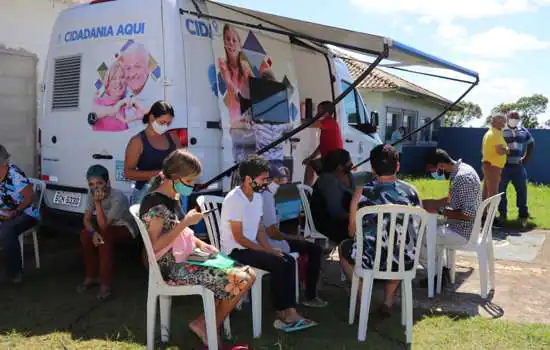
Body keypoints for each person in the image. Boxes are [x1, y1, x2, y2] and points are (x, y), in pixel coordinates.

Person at [139, 149, 255, 347]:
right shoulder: (155, 203)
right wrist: (186, 222)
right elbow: (155, 245)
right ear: (175, 177)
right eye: (190, 181)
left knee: (249, 274)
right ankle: (207, 326)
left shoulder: (171, 196)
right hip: (169, 268)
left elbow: (183, 236)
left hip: (184, 258)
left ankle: (205, 323)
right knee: (240, 279)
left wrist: (207, 247)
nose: (192, 186)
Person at [220, 155, 317, 332]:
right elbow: (239, 237)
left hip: (249, 247)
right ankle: (285, 312)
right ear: (249, 179)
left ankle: (288, 311)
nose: (266, 183)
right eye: (263, 179)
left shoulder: (257, 197)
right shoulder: (235, 198)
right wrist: (265, 251)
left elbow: (259, 230)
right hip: (235, 251)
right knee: (279, 263)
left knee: (287, 259)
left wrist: (269, 248)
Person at [339, 144, 421, 317]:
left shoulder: (362, 193)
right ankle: (387, 301)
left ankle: (363, 299)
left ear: (372, 168)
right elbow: (415, 230)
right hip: (403, 261)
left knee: (344, 247)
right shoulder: (412, 193)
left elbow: (352, 232)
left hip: (369, 260)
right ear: (397, 166)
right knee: (400, 248)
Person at [262, 165, 327, 308]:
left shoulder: (263, 195)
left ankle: (307, 289)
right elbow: (272, 232)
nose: (281, 184)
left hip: (269, 241)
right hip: (270, 244)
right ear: (270, 180)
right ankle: (311, 296)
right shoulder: (266, 197)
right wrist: (296, 238)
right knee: (315, 249)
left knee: (309, 247)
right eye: (278, 180)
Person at [420, 148, 481, 282]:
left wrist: (440, 210)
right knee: (423, 227)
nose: (432, 174)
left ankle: (438, 275)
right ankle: (441, 270)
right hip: (459, 225)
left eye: (432, 171)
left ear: (441, 165)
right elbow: (452, 199)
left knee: (418, 237)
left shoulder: (462, 178)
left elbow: (468, 214)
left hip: (462, 231)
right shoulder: (461, 170)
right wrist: (431, 202)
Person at [78, 165, 137, 300]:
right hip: (103, 227)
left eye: (99, 183)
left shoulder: (118, 197)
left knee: (105, 238)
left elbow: (104, 225)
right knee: (85, 235)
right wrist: (93, 233)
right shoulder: (91, 193)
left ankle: (105, 284)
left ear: (108, 182)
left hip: (124, 228)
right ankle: (91, 276)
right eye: (91, 184)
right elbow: (86, 219)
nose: (96, 187)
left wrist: (97, 203)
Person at [124, 101, 182, 205]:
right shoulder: (137, 141)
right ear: (151, 118)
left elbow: (182, 162)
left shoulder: (173, 138)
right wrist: (157, 174)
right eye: (162, 122)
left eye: (168, 123)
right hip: (144, 195)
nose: (165, 126)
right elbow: (128, 173)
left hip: (169, 195)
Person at [0, 145, 40, 284]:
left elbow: (30, 197)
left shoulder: (14, 174)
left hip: (26, 213)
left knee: (6, 230)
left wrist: (16, 211)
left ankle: (15, 272)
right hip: (4, 213)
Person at [497, 111, 535, 227]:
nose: (514, 119)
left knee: (522, 191)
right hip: (504, 167)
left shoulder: (523, 131)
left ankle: (523, 215)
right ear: (507, 118)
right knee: (501, 191)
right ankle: (502, 215)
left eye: (516, 117)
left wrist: (526, 157)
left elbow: (531, 142)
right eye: (512, 117)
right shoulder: (501, 130)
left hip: (518, 166)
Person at [310, 148, 355, 244]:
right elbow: (335, 212)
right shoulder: (328, 180)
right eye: (349, 162)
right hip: (329, 222)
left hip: (345, 218)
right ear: (339, 167)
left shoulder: (349, 175)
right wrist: (355, 219)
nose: (352, 164)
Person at [302, 101, 344, 186]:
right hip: (329, 159)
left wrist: (300, 120)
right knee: (311, 165)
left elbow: (310, 124)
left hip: (334, 160)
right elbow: (322, 146)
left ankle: (306, 191)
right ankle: (306, 191)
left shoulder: (329, 122)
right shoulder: (328, 124)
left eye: (319, 111)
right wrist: (311, 157)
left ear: (326, 112)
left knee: (312, 167)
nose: (317, 113)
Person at [481, 114, 508, 200]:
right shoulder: (495, 134)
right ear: (495, 122)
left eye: (504, 121)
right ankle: (490, 212)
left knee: (486, 192)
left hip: (489, 165)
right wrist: (507, 150)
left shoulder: (491, 132)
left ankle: (483, 212)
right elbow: (500, 151)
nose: (504, 124)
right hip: (493, 166)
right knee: (493, 193)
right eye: (502, 121)